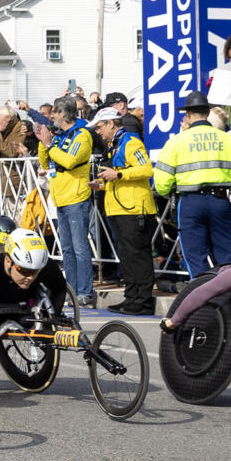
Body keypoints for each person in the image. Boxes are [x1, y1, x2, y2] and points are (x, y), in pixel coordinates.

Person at [152, 92, 231, 277]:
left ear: (187, 115)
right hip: (221, 202)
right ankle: (228, 297)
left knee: (195, 256)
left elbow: (162, 182)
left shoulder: (176, 142)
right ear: (208, 112)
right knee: (227, 257)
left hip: (190, 203)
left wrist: (168, 192)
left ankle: (202, 297)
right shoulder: (228, 140)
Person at [91, 107, 156, 315]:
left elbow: (146, 169)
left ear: (112, 123)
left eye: (100, 127)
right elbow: (117, 176)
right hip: (119, 208)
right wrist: (101, 184)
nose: (98, 132)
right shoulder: (115, 145)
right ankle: (131, 298)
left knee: (138, 256)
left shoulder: (131, 141)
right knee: (126, 257)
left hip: (135, 209)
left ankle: (143, 302)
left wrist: (118, 175)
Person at [34, 102, 95, 306]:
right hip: (60, 197)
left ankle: (85, 291)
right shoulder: (59, 136)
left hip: (76, 197)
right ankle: (71, 289)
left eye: (55, 113)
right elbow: (45, 163)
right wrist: (43, 144)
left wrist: (50, 146)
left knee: (79, 247)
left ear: (64, 114)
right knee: (67, 249)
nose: (52, 117)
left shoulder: (81, 135)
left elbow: (69, 161)